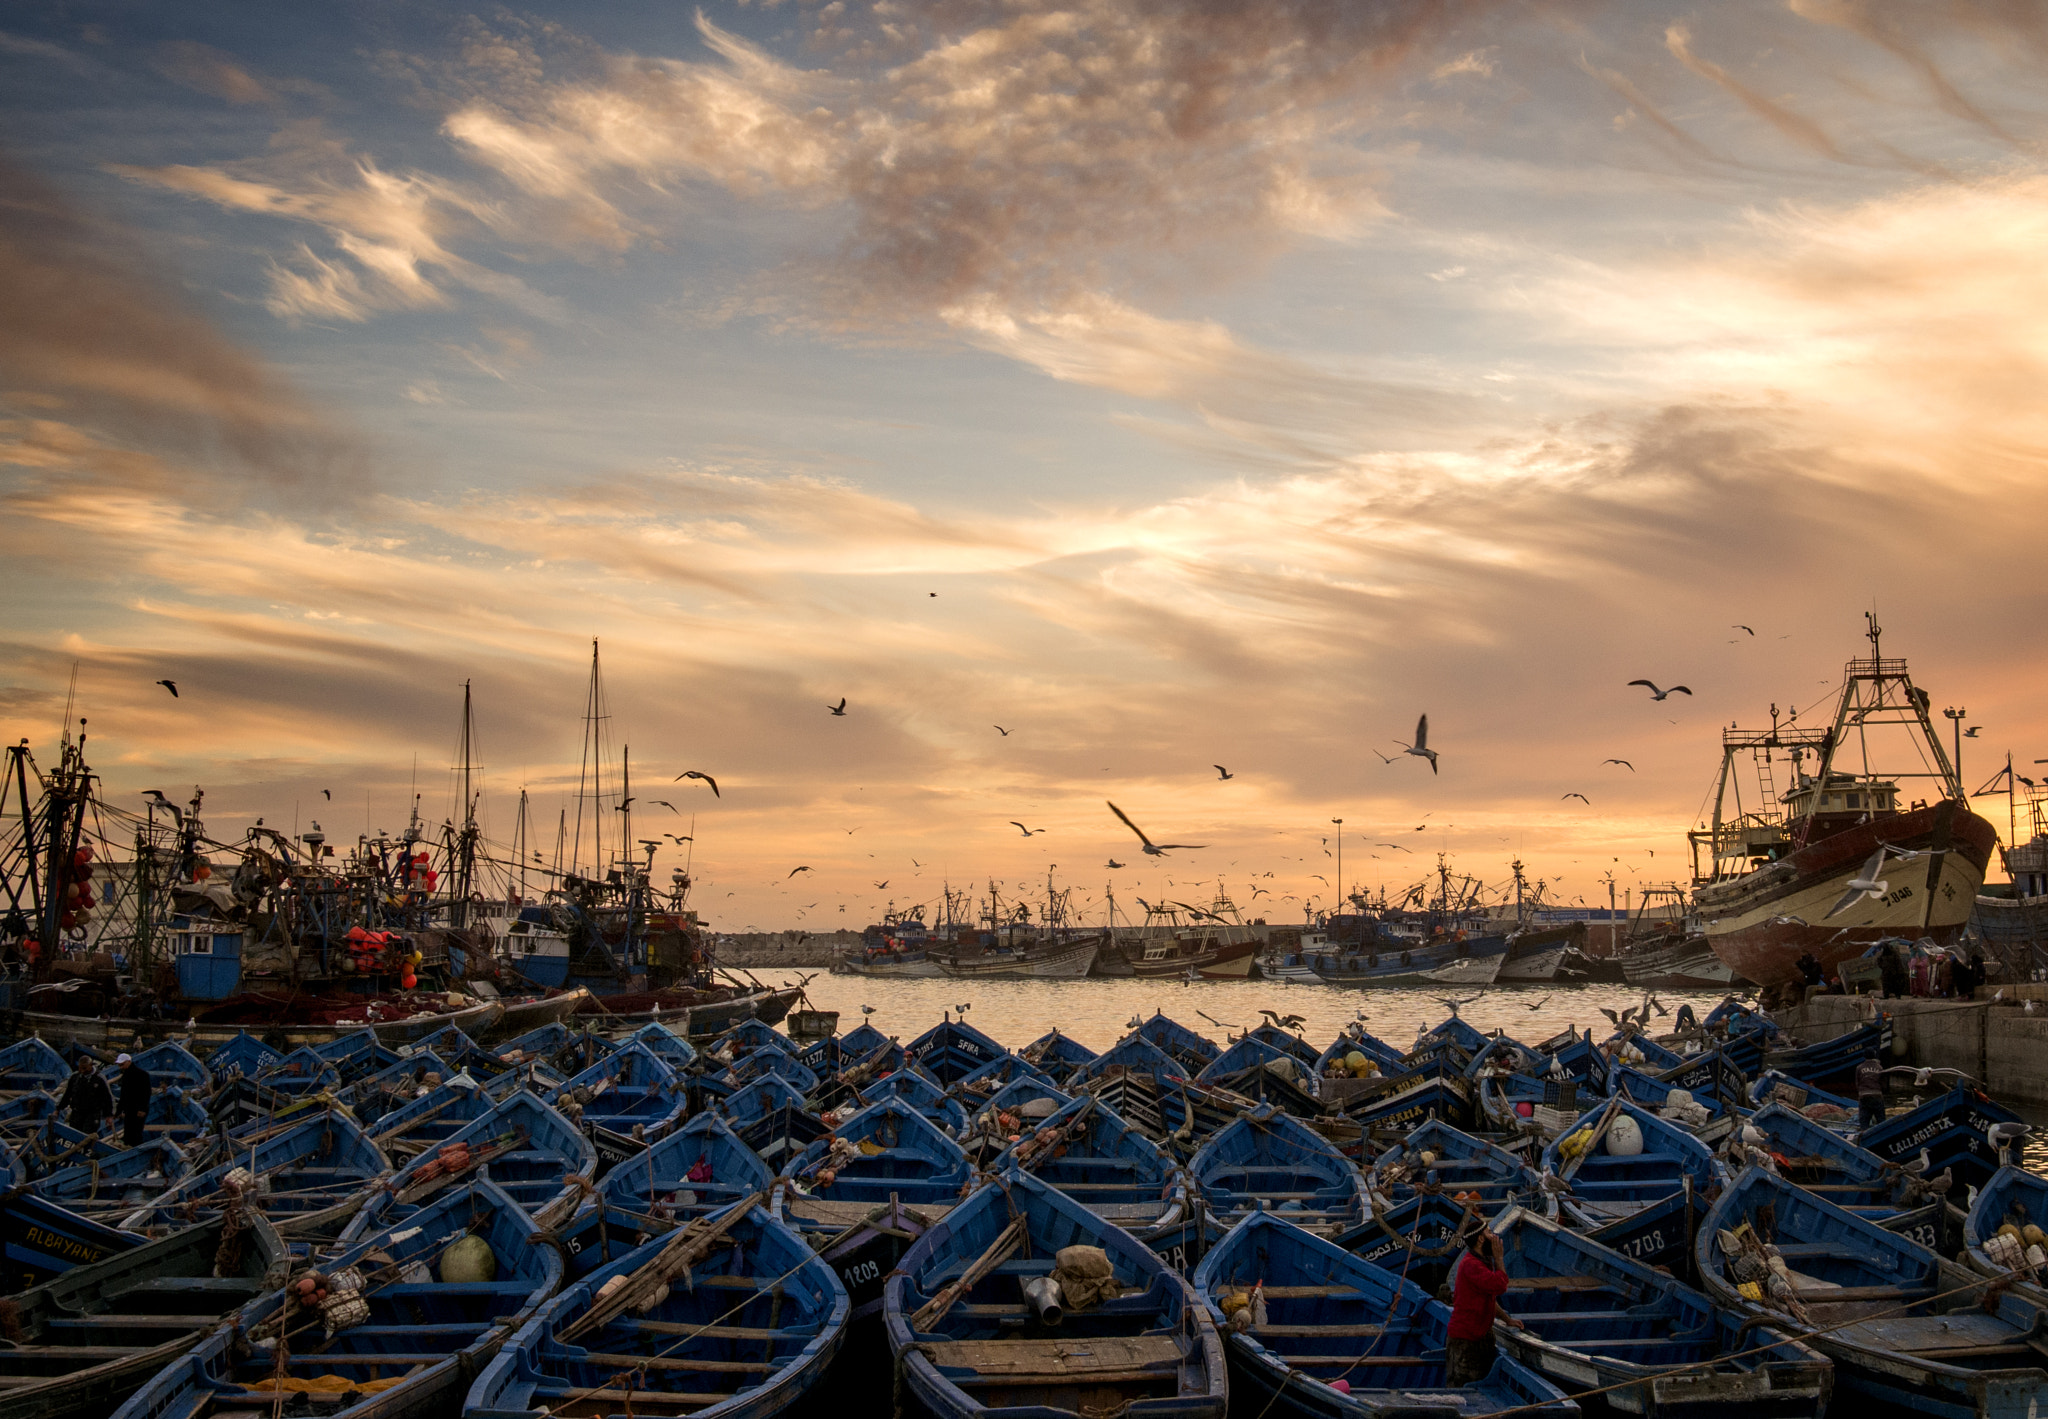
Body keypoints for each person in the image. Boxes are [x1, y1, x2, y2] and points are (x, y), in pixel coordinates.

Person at [1446, 1229, 1523, 1385]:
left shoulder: (1482, 1262)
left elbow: (1489, 1299)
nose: (1494, 1236)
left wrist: (1506, 1319)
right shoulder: (1471, 1265)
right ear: (1480, 1239)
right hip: (1466, 1340)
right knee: (1464, 1387)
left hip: (1480, 1336)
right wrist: (1499, 1259)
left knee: (1480, 1381)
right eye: (1489, 1233)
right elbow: (1499, 1286)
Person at [58, 1056, 113, 1134]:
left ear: (91, 1065)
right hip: (76, 1113)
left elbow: (107, 1098)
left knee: (87, 1135)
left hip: (92, 1114)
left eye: (84, 1068)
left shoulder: (99, 1079)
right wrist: (58, 1109)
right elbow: (67, 1094)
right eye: (80, 1068)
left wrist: (109, 1116)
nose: (82, 1071)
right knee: (74, 1135)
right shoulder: (75, 1077)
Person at [115, 1052, 152, 1147]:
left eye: (122, 1064)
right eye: (119, 1065)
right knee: (128, 1132)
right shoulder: (126, 1075)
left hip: (138, 1109)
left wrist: (142, 1109)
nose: (120, 1067)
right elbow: (123, 1095)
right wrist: (118, 1111)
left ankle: (135, 1149)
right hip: (129, 1108)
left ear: (128, 1062)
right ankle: (128, 1148)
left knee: (136, 1133)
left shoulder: (142, 1075)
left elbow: (146, 1093)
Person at [1854, 1050, 1886, 1130]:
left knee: (1864, 1122)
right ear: (1874, 1056)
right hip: (1877, 1096)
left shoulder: (1859, 1067)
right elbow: (1883, 1084)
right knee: (1881, 1120)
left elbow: (1857, 1083)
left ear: (1864, 1056)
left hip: (1864, 1097)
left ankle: (1864, 1135)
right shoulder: (1879, 1068)